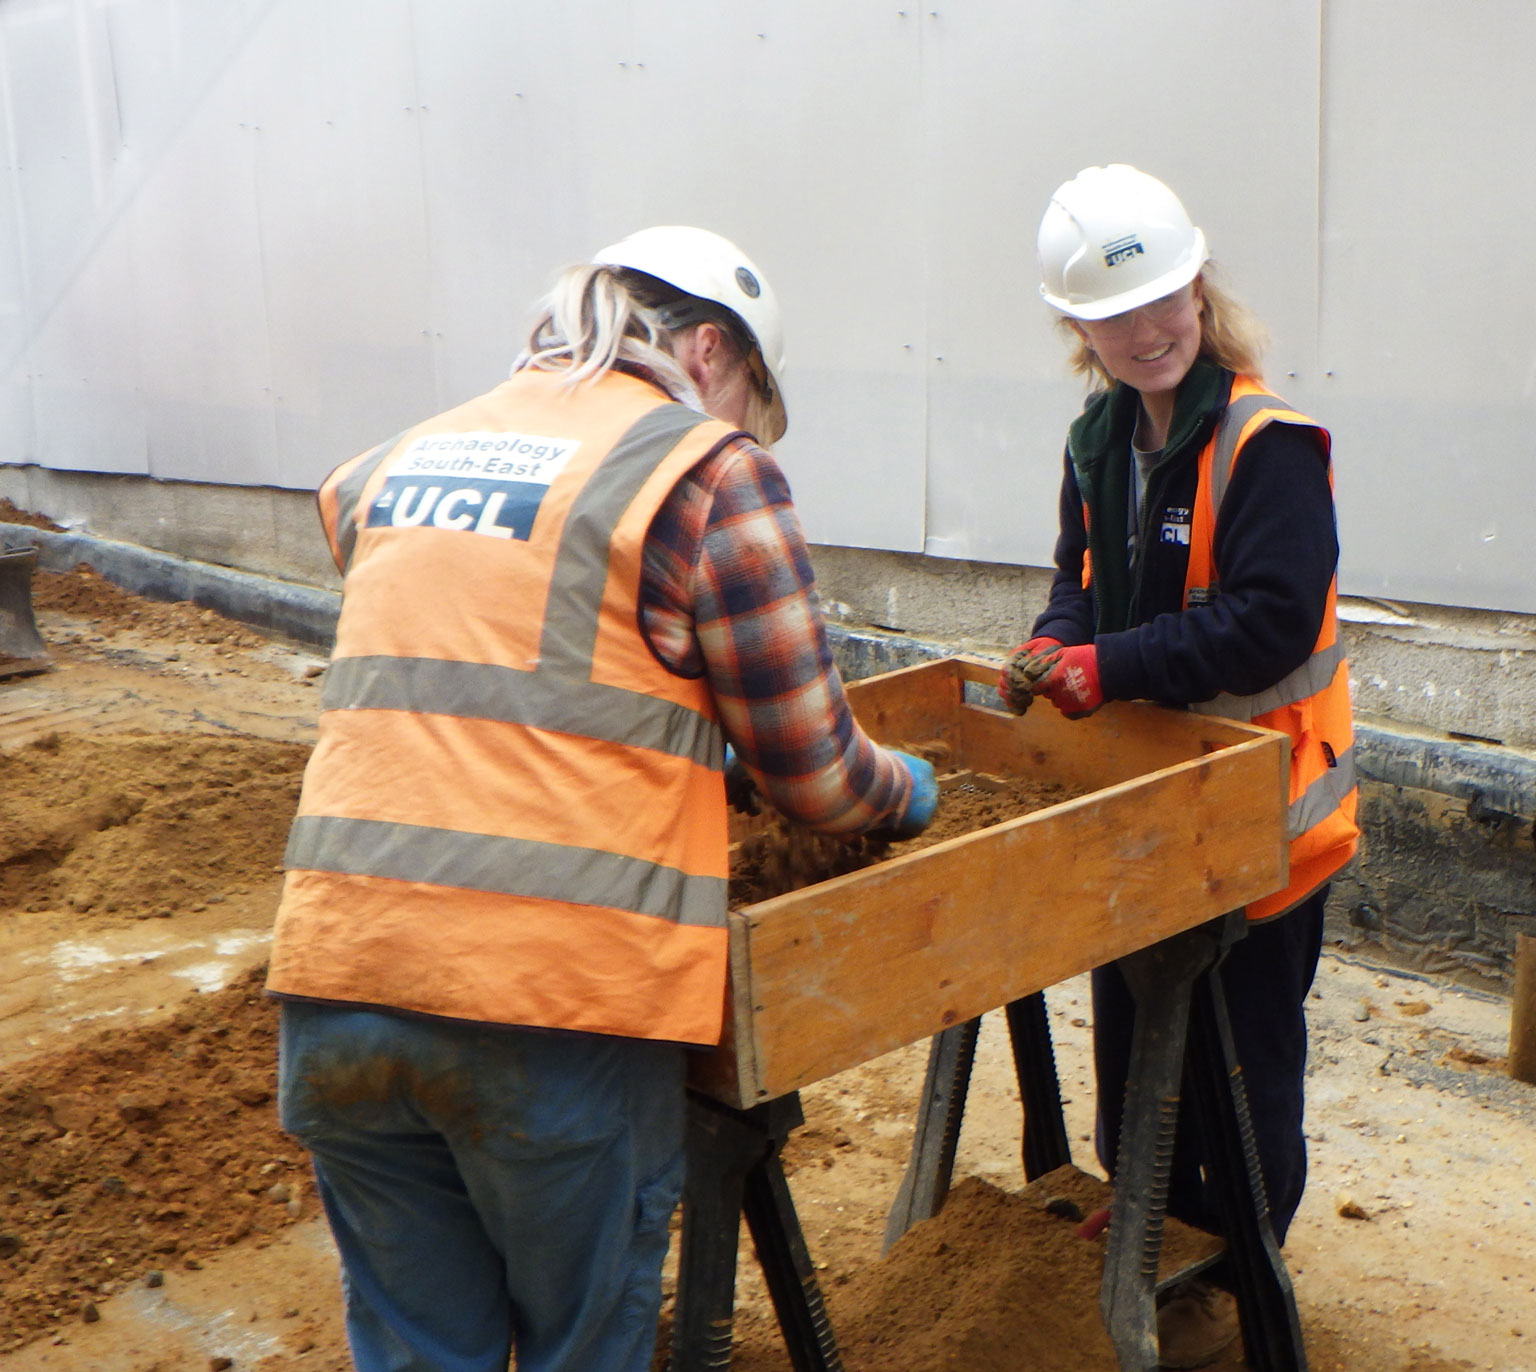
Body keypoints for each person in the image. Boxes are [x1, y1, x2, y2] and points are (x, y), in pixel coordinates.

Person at [267, 226, 938, 1372]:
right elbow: (815, 775)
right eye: (748, 408)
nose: (737, 437)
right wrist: (909, 794)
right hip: (552, 1008)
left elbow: (505, 669)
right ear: (713, 352)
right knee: (588, 1345)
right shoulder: (707, 472)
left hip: (341, 987)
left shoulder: (397, 459)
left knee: (425, 1353)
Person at [1002, 165, 1359, 1369]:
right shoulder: (1099, 436)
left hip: (1261, 813)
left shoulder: (1268, 446)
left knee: (1241, 1056)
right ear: (1078, 329)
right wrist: (1061, 636)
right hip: (1145, 807)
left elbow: (1267, 620)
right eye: (1117, 315)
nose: (1150, 332)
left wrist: (1114, 661)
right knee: (1132, 1023)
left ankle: (1241, 1264)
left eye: (1168, 302)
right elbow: (1080, 576)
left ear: (1201, 292)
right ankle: (1150, 1202)